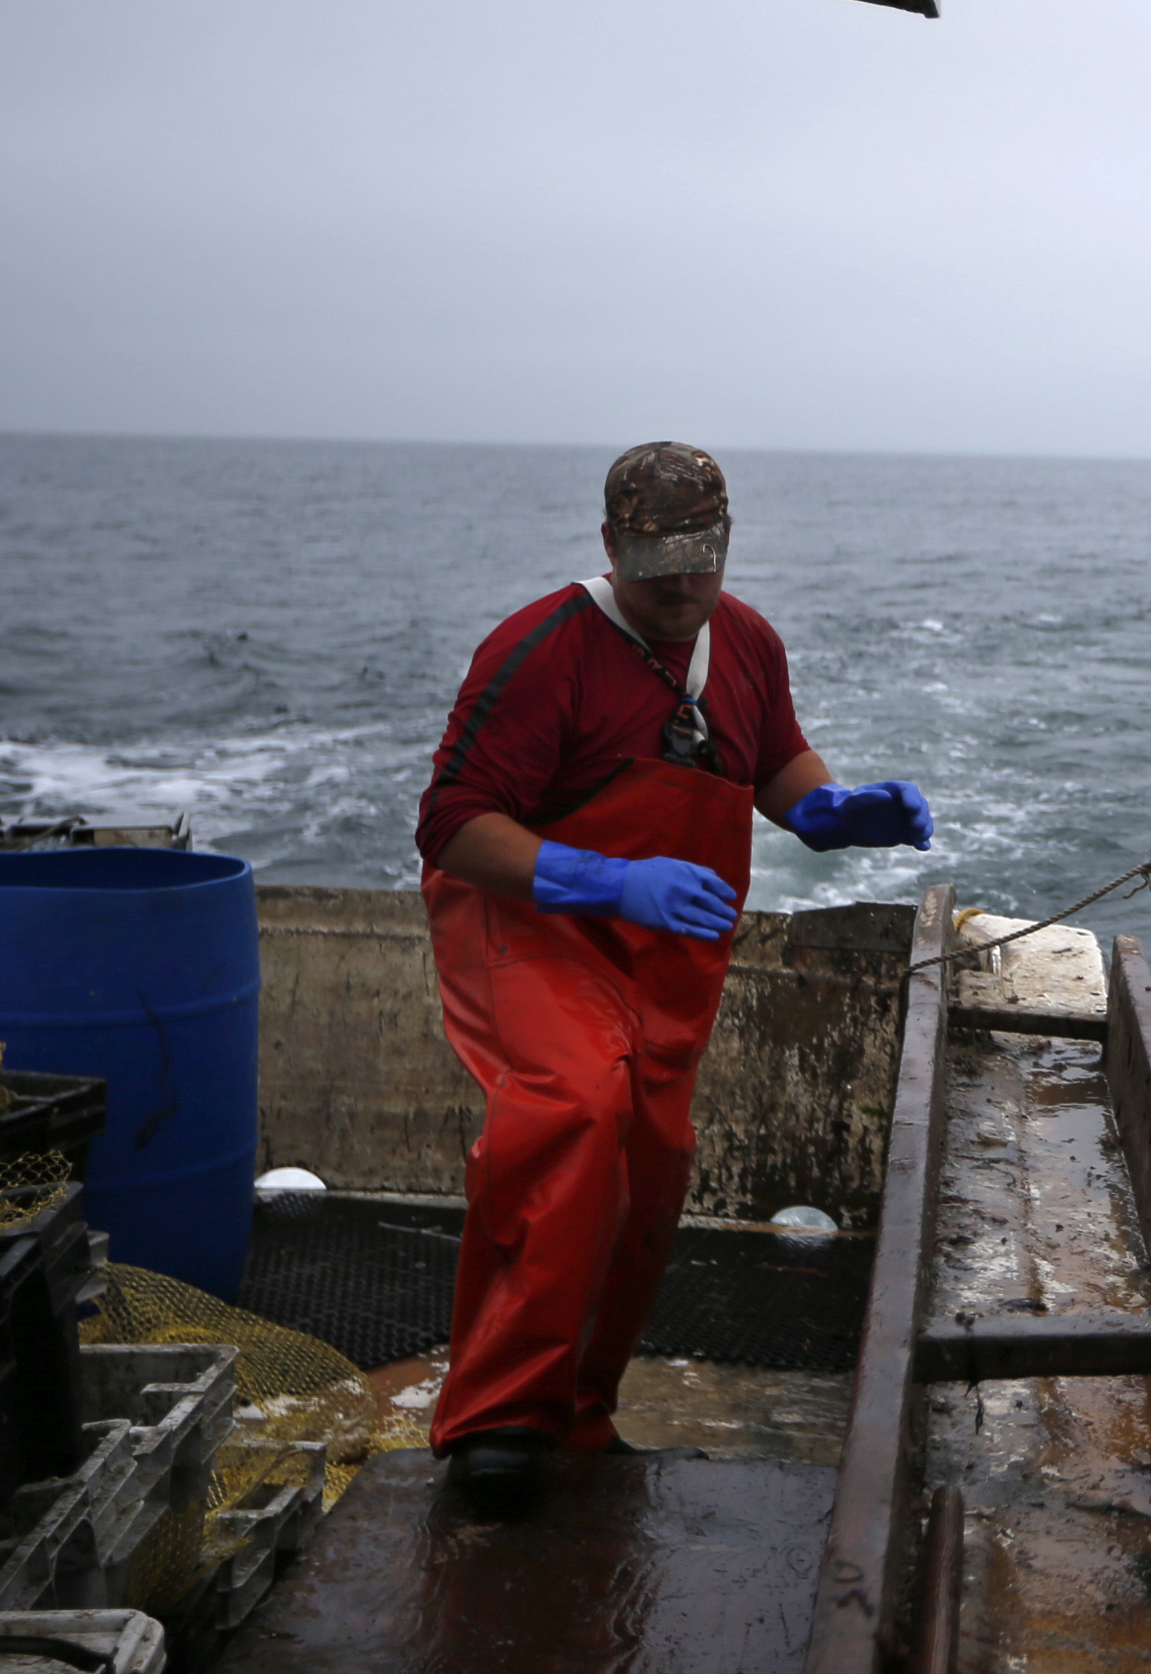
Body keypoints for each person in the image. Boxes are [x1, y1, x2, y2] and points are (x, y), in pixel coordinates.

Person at [412, 441, 932, 1509]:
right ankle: (497, 1420)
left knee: (651, 1159)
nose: (679, 583)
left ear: (727, 545)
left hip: (662, 950)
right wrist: (605, 878)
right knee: (570, 1108)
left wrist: (829, 810)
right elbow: (454, 826)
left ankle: (578, 1412)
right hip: (531, 924)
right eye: (655, 559)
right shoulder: (540, 650)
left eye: (700, 556)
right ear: (610, 547)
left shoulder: (742, 642)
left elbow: (774, 757)